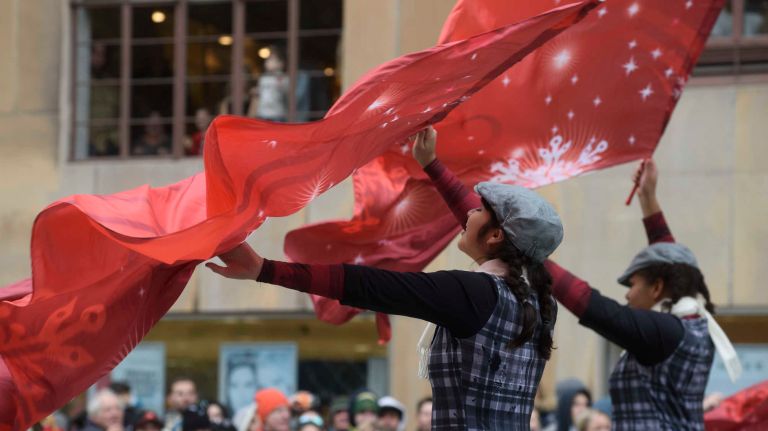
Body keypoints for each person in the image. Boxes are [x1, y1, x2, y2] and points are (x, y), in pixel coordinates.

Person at [207, 125, 562, 429]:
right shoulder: (541, 304)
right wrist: (431, 165)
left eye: (480, 210)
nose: (469, 211)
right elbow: (476, 222)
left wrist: (265, 270)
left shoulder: (472, 293)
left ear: (496, 236)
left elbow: (368, 286)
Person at [544, 158, 740, 430]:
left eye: (633, 285)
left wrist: (532, 257)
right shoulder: (692, 325)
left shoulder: (666, 333)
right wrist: (648, 199)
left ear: (657, 288)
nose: (628, 296)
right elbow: (675, 267)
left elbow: (597, 308)